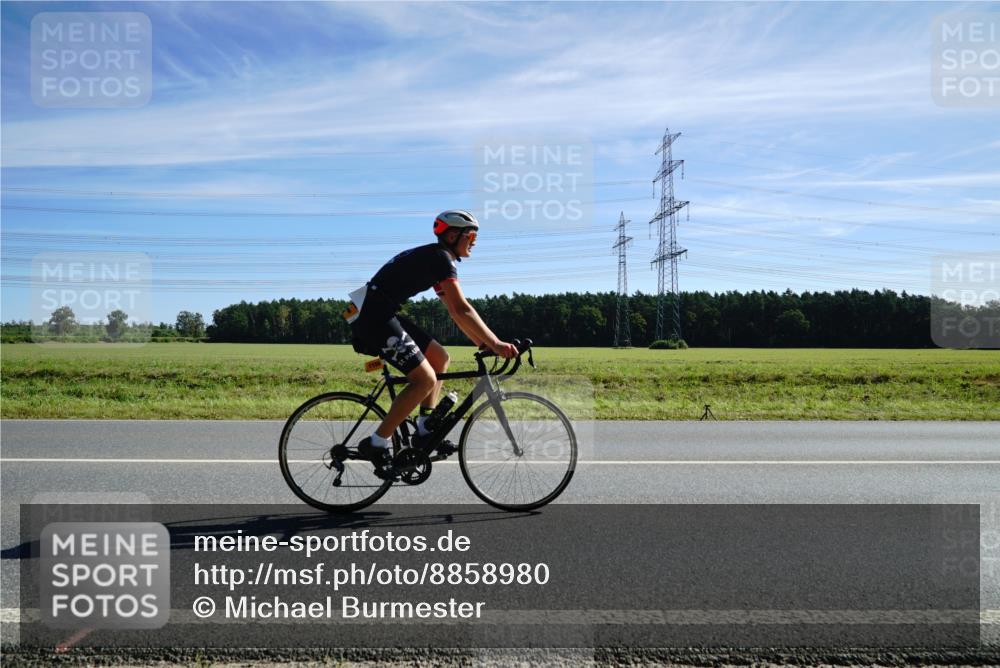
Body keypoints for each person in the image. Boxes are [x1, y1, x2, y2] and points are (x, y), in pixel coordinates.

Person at [346, 210, 518, 477]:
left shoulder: (435, 257)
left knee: (440, 358)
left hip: (380, 310)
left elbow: (452, 309)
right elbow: (462, 308)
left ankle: (425, 425)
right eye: (471, 236)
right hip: (373, 316)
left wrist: (479, 341)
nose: (474, 241)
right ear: (453, 235)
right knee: (424, 379)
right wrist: (495, 343)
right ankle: (377, 442)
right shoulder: (441, 258)